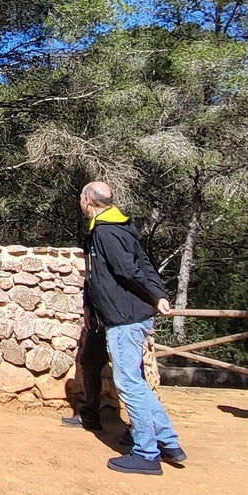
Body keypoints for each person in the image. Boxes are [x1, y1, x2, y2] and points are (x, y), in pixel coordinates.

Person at [78, 182, 185, 475]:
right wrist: (159, 294)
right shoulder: (121, 225)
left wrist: (154, 295)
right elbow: (143, 264)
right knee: (135, 381)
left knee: (128, 383)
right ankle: (167, 440)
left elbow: (128, 270)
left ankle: (146, 452)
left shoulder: (105, 231)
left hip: (125, 316)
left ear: (87, 201)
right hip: (132, 313)